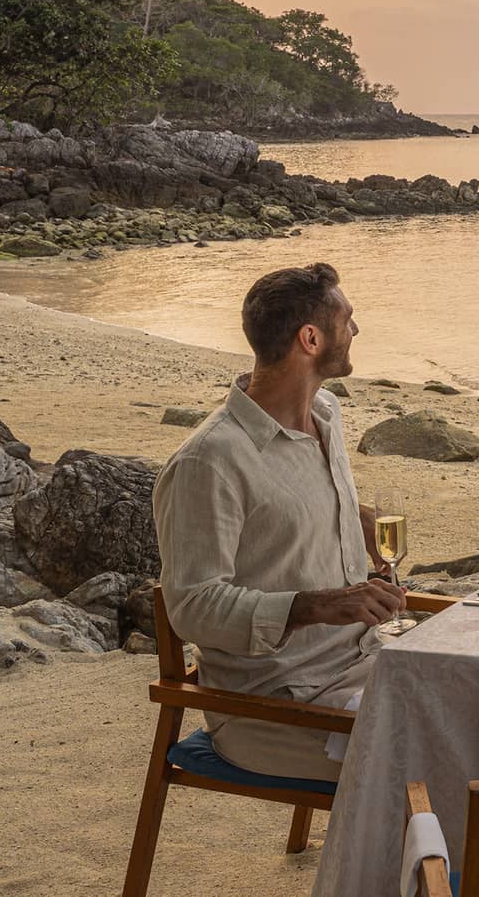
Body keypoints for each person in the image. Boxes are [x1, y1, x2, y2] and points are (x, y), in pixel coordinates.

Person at [151, 262, 406, 781]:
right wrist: (317, 605)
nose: (355, 331)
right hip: (273, 705)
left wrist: (359, 527)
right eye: (347, 320)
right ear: (310, 338)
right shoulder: (210, 461)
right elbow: (193, 607)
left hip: (364, 660)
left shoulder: (327, 414)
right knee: (449, 752)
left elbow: (296, 507)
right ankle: (419, 861)